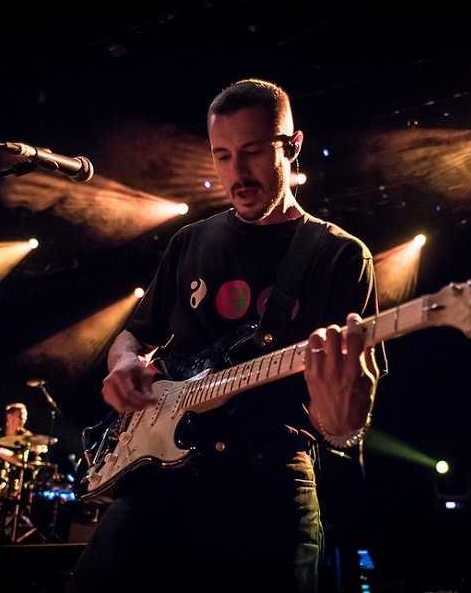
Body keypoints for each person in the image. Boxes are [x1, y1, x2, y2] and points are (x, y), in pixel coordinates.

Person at [71, 79, 385, 592]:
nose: (236, 173)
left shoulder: (339, 255)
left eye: (253, 152)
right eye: (222, 156)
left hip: (268, 485)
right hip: (160, 478)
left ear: (293, 146)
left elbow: (341, 425)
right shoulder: (190, 241)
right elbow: (133, 336)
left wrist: (343, 418)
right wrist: (124, 363)